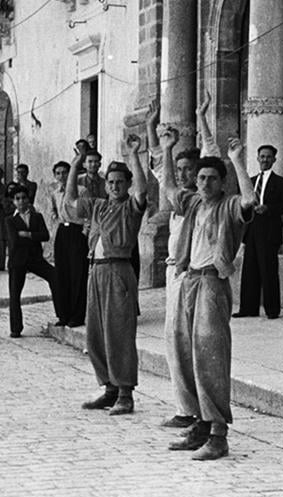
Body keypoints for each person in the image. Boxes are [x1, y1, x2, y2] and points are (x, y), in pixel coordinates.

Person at [158, 124, 256, 460]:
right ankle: (200, 423)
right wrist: (167, 149)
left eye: (212, 179)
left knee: (211, 354)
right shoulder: (194, 204)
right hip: (190, 281)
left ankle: (218, 433)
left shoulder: (229, 206)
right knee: (188, 351)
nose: (204, 184)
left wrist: (237, 161)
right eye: (201, 179)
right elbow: (170, 187)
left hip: (213, 283)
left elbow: (250, 200)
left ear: (221, 181)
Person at [66, 134, 152, 417]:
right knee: (96, 335)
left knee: (119, 334)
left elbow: (142, 190)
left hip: (118, 271)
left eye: (120, 182)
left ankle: (126, 393)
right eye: (111, 182)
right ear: (106, 185)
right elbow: (70, 202)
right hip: (96, 271)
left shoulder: (131, 207)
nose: (115, 186)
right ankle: (110, 388)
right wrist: (77, 163)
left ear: (126, 184)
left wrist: (134, 157)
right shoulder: (99, 206)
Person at [149, 94, 217, 429]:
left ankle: (203, 413)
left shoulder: (202, 199)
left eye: (190, 169)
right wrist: (159, 137)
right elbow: (161, 172)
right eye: (182, 170)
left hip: (197, 274)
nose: (186, 174)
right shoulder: (180, 200)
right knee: (174, 338)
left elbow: (212, 154)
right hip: (174, 272)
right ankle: (185, 407)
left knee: (196, 342)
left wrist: (202, 117)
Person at [237, 144, 283, 319]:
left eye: (268, 157)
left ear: (274, 160)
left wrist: (268, 208)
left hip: (269, 230)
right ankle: (248, 308)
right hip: (252, 229)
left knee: (268, 270)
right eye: (262, 156)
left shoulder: (281, 182)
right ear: (257, 158)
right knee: (249, 269)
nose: (265, 160)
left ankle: (272, 310)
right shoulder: (251, 181)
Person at [5, 185, 55, 338]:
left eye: (24, 198)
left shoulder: (37, 217)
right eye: (18, 199)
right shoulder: (10, 220)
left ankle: (62, 314)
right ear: (13, 202)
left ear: (28, 200)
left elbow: (45, 235)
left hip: (35, 258)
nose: (21, 201)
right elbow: (13, 241)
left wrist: (27, 234)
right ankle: (15, 328)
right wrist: (34, 236)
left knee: (55, 277)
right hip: (17, 260)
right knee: (14, 294)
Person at [47, 160, 85, 327]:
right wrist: (57, 228)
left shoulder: (82, 191)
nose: (62, 176)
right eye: (58, 173)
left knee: (77, 273)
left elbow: (87, 214)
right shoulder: (54, 193)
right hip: (62, 232)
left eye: (65, 172)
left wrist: (85, 233)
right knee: (62, 273)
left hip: (77, 231)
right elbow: (52, 212)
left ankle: (76, 316)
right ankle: (63, 314)